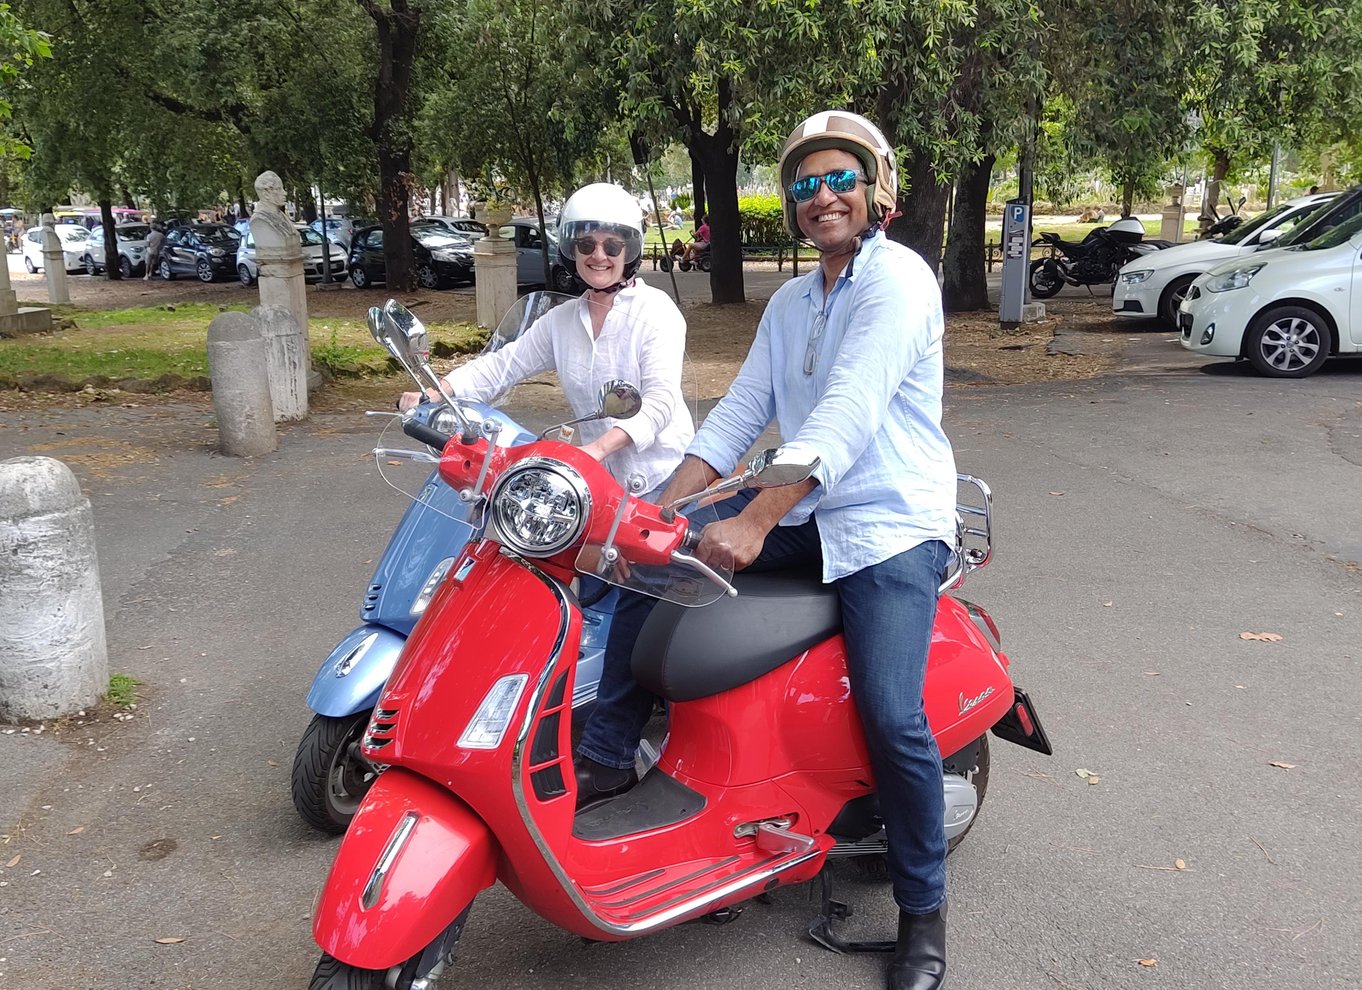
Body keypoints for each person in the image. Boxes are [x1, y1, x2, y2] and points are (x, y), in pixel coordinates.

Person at [573, 110, 957, 990]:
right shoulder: (790, 303)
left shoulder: (899, 281)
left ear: (875, 187)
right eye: (806, 184)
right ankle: (609, 758)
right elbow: (740, 414)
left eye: (840, 178)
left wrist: (752, 521)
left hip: (892, 523)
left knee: (892, 713)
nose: (823, 196)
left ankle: (923, 911)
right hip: (810, 511)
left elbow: (847, 415)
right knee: (652, 570)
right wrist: (656, 516)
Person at [399, 182, 693, 495]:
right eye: (586, 245)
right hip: (598, 481)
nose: (598, 255)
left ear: (629, 251)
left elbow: (660, 401)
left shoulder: (655, 310)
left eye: (612, 247)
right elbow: (502, 366)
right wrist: (436, 393)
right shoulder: (562, 320)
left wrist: (597, 449)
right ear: (571, 249)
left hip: (666, 475)